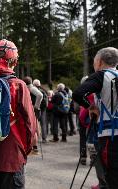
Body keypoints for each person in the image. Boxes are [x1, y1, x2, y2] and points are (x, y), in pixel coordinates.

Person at [0, 39, 37, 189]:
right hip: (11, 157)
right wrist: (26, 150)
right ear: (14, 61)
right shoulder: (18, 85)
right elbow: (30, 124)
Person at [73, 47, 118, 189]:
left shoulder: (101, 75)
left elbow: (78, 94)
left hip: (109, 136)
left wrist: (90, 107)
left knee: (111, 178)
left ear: (99, 61)